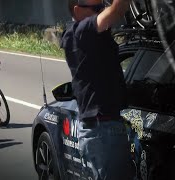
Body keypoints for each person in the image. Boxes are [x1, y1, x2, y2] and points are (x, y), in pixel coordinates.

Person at [61, 0, 132, 179]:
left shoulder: (80, 37)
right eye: (97, 8)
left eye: (102, 6)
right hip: (103, 130)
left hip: (103, 128)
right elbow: (116, 11)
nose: (102, 10)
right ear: (77, 11)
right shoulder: (82, 30)